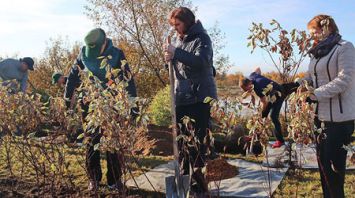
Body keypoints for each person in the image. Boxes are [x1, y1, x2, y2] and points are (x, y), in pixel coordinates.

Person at [64, 28, 137, 191]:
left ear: (104, 42)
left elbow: (128, 80)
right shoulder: (83, 54)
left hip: (112, 102)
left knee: (113, 141)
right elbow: (72, 78)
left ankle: (114, 180)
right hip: (89, 104)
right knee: (91, 140)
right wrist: (67, 100)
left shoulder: (117, 54)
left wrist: (133, 105)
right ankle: (94, 179)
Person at [164, 7, 217, 194]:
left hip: (200, 97)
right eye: (174, 26)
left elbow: (201, 62)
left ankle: (200, 184)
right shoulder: (180, 40)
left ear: (187, 21)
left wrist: (176, 53)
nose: (176, 29)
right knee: (183, 141)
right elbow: (180, 68)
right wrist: (169, 59)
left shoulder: (202, 38)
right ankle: (185, 178)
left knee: (198, 142)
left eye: (178, 24)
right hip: (182, 96)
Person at [304, 14, 355, 198]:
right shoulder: (317, 52)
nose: (313, 36)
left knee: (334, 172)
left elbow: (344, 79)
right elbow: (311, 77)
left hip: (339, 120)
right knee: (324, 169)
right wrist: (299, 84)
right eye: (311, 33)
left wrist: (314, 94)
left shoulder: (345, 47)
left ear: (329, 28)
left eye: (315, 32)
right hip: (320, 118)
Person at [240, 67, 298, 148]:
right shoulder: (252, 76)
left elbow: (265, 103)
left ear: (249, 84)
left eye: (247, 89)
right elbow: (258, 69)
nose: (248, 91)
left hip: (278, 96)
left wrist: (262, 113)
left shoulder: (257, 89)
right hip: (278, 88)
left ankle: (280, 141)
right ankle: (256, 136)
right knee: (262, 117)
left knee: (272, 116)